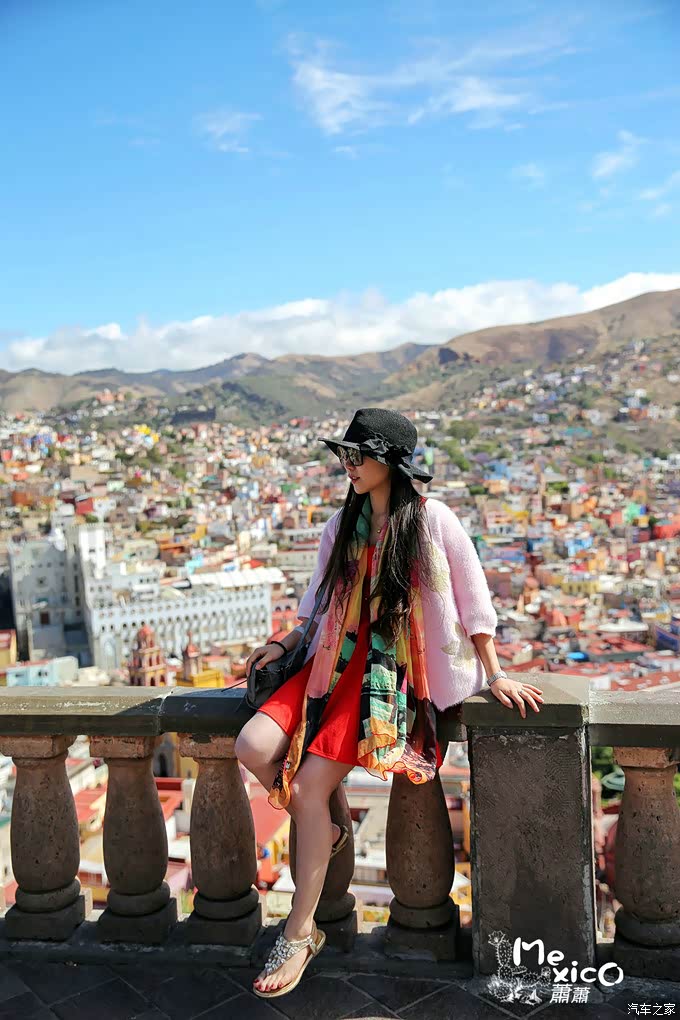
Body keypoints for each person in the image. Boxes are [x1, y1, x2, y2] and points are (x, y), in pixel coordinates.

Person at [235, 407, 544, 999]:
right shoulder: (341, 526)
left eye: (358, 456)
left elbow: (473, 599)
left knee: (307, 788)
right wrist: (284, 643)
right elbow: (316, 604)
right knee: (251, 746)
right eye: (344, 455)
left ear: (390, 463)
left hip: (384, 679)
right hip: (329, 664)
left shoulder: (432, 521)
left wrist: (496, 673)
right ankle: (325, 827)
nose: (348, 466)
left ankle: (300, 932)